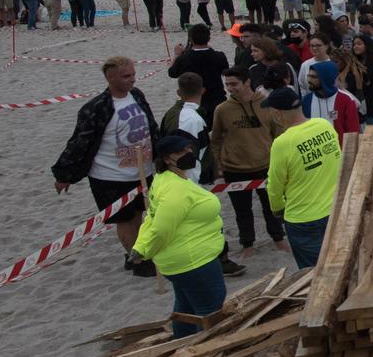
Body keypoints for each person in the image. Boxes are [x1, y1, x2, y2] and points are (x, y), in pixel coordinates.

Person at [52, 56, 161, 277]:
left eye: (133, 75)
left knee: (140, 214)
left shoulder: (137, 96)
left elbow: (151, 126)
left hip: (142, 169)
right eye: (126, 76)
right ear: (110, 78)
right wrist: (64, 175)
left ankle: (138, 252)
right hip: (111, 175)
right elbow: (80, 142)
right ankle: (137, 260)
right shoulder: (97, 107)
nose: (132, 80)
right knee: (124, 219)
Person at [128, 133, 230, 337]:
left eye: (189, 149)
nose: (188, 153)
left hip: (180, 260)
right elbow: (160, 228)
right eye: (181, 152)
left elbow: (151, 217)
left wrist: (140, 246)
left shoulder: (164, 179)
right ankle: (207, 352)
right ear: (167, 158)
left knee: (185, 308)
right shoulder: (175, 191)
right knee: (211, 309)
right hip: (193, 261)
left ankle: (181, 342)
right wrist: (145, 251)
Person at [213, 67, 291, 256]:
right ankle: (247, 244)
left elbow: (279, 133)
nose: (230, 88)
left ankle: (278, 238)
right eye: (227, 85)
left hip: (265, 165)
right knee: (242, 210)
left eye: (234, 84)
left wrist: (281, 160)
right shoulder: (222, 109)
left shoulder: (266, 104)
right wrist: (219, 165)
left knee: (272, 205)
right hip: (235, 168)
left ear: (247, 82)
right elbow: (216, 139)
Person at [268, 109, 343, 269]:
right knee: (340, 264)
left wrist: (277, 208)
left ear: (277, 113)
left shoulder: (282, 142)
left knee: (312, 274)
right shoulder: (324, 124)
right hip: (335, 208)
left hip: (302, 218)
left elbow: (274, 185)